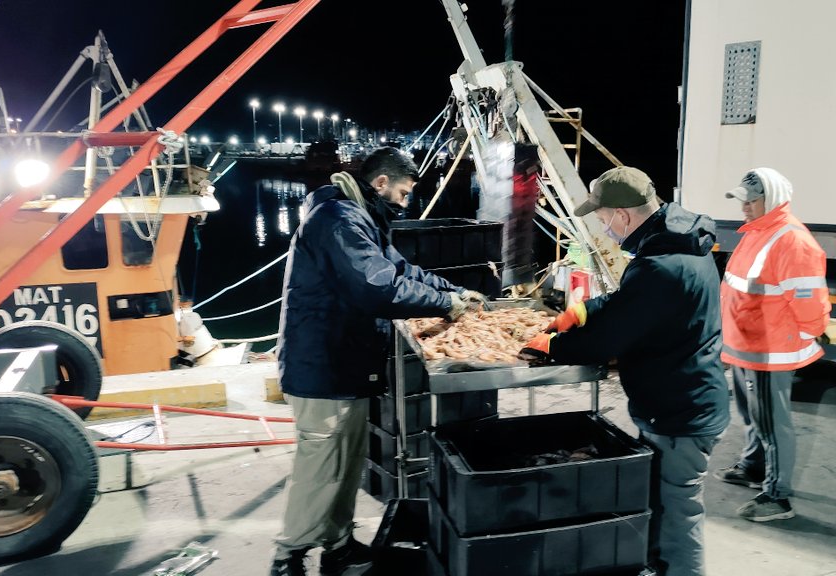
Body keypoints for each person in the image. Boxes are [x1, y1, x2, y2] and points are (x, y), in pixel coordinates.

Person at [270, 147, 487, 576]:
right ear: (381, 183)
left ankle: (338, 547)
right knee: (320, 469)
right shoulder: (338, 220)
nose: (406, 203)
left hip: (343, 363)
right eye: (404, 193)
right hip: (321, 367)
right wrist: (445, 304)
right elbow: (378, 287)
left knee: (346, 466)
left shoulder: (358, 217)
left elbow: (400, 269)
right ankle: (288, 557)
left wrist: (453, 292)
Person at [520, 166, 730, 576]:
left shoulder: (660, 265)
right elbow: (631, 305)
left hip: (680, 413)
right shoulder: (680, 246)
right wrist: (583, 310)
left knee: (678, 513)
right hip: (681, 400)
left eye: (603, 220)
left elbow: (611, 338)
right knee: (661, 503)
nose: (604, 229)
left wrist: (553, 347)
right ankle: (658, 566)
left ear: (624, 215)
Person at [713, 167, 831, 522]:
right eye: (742, 200)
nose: (744, 206)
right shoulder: (758, 232)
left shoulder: (791, 240)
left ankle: (778, 497)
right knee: (752, 415)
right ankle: (753, 466)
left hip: (769, 349)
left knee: (772, 423)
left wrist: (807, 334)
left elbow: (810, 300)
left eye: (752, 200)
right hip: (744, 343)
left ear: (773, 199)